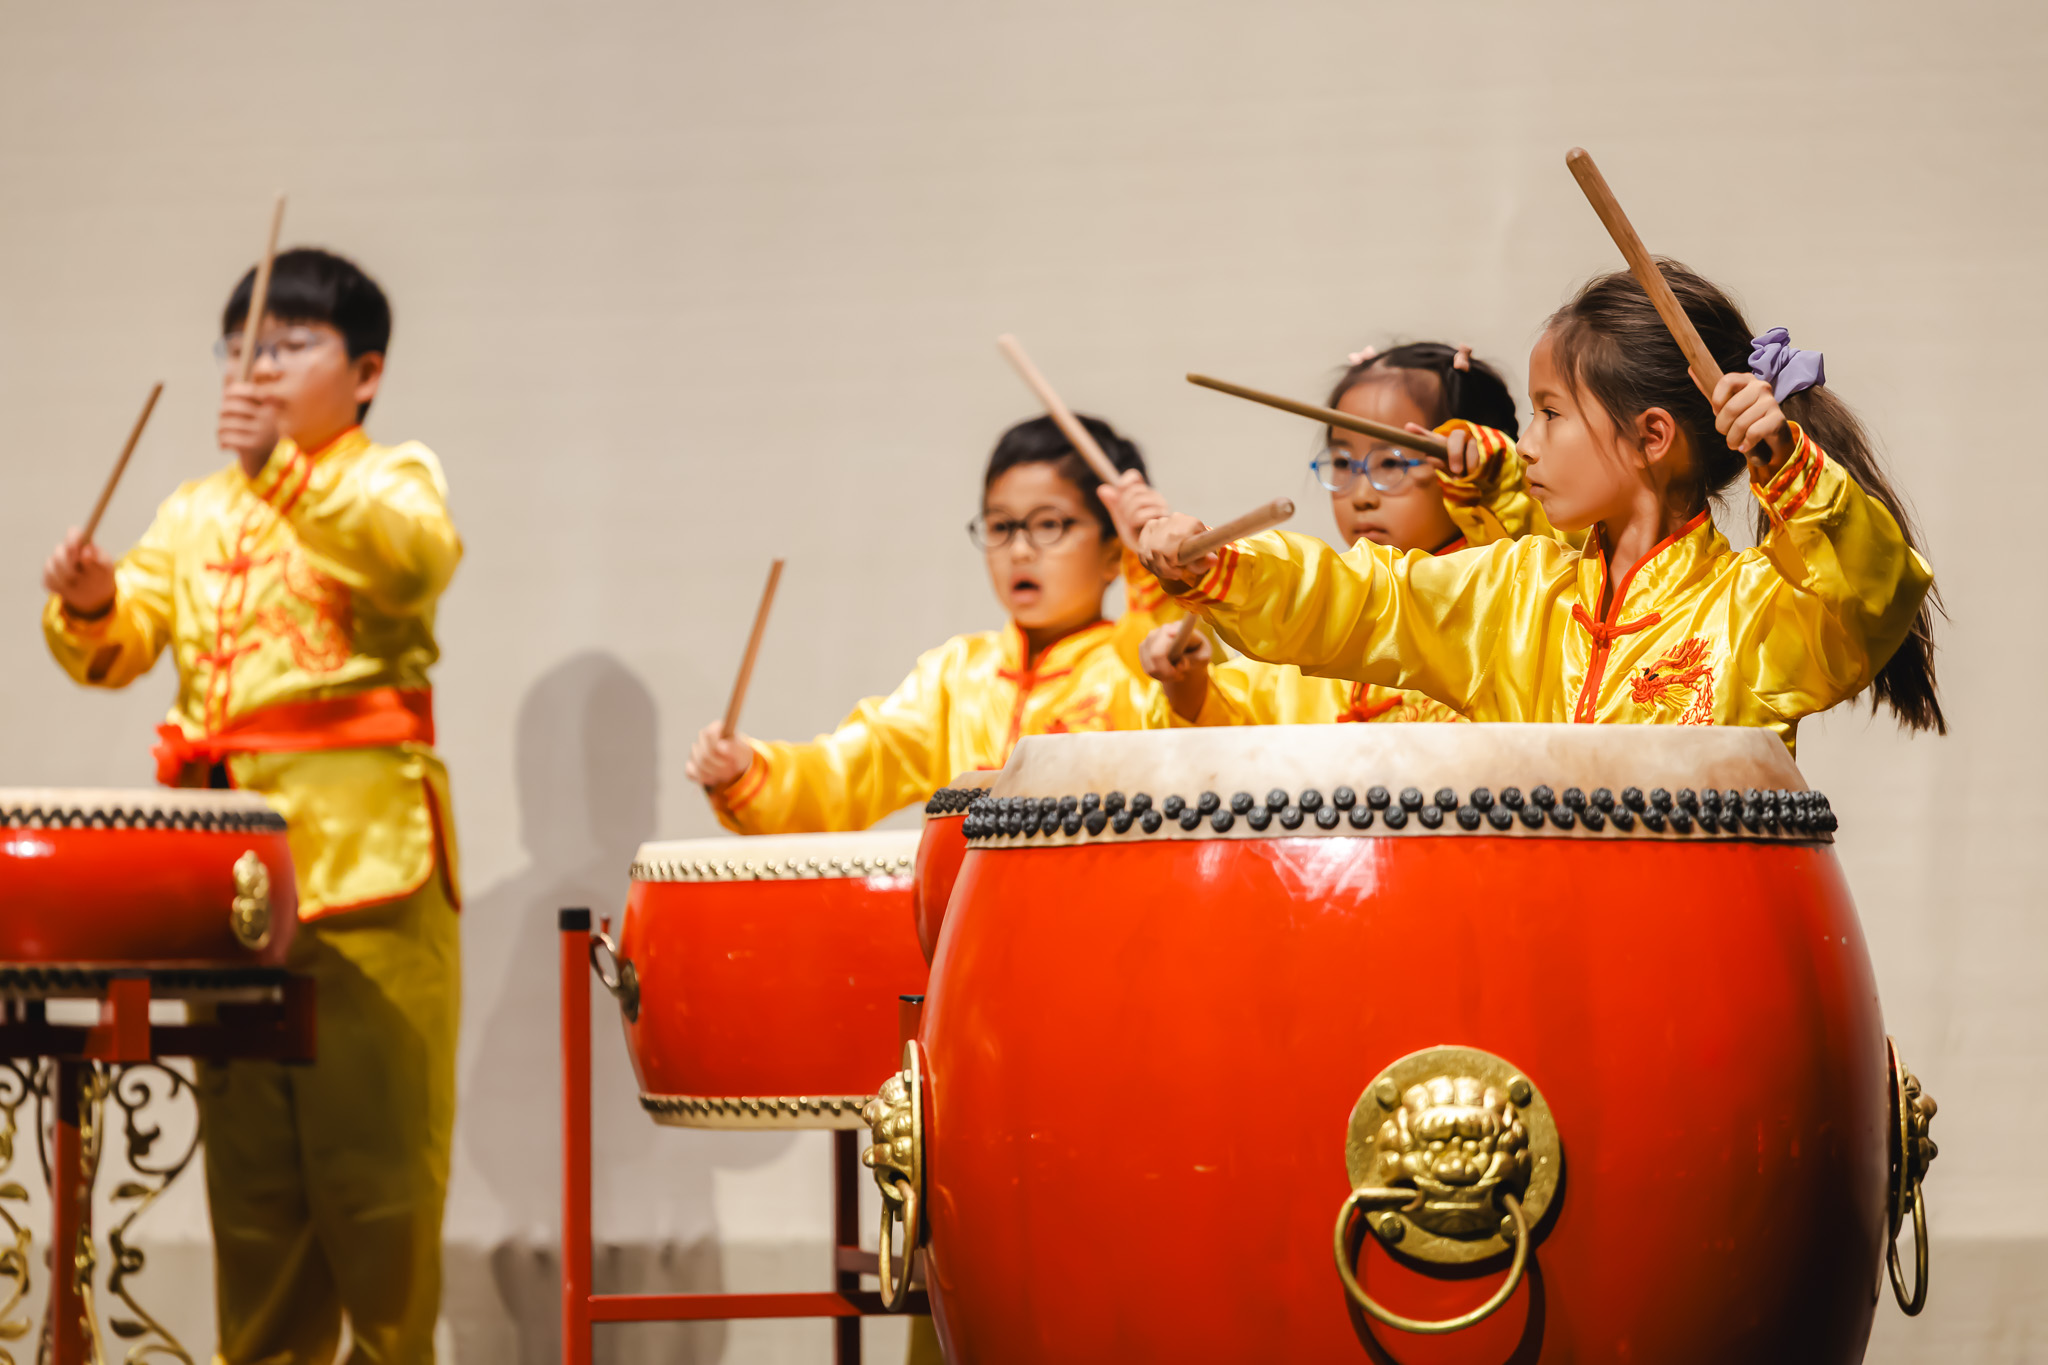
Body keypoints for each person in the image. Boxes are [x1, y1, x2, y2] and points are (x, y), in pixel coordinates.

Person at [41, 248, 461, 1363]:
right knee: (255, 1197)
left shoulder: (391, 481)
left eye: (289, 344)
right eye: (241, 347)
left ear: (365, 373)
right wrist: (92, 602)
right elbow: (124, 638)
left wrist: (281, 471)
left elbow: (411, 563)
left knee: (379, 1184)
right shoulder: (194, 511)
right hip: (225, 885)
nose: (257, 365)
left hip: (366, 869)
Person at [1120, 262, 1943, 754]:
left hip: (1692, 961)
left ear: (1652, 436)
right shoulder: (1515, 592)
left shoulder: (1754, 614)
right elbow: (1365, 600)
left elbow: (1869, 595)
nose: (1527, 443)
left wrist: (1791, 466)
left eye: (1550, 413)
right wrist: (1222, 565)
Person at [686, 414, 1181, 832]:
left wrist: (1153, 565)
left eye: (1048, 524)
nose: (1019, 549)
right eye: (1001, 526)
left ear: (1114, 550)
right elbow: (850, 772)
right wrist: (746, 770)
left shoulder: (1138, 665)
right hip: (966, 917)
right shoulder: (955, 677)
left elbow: (1191, 698)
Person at [1135, 342, 1552, 727]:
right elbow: (1242, 733)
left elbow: (1534, 529)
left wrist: (1496, 474)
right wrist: (1187, 686)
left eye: (1391, 463)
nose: (1362, 496)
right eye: (1342, 462)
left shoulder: (1507, 609)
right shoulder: (1310, 636)